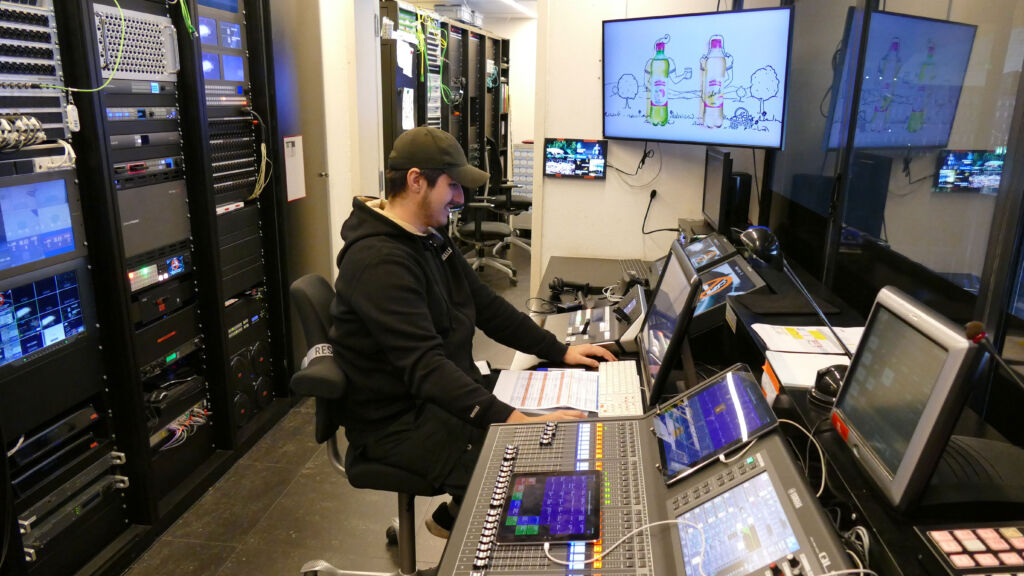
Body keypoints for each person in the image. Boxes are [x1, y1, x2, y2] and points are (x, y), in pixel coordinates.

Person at [328, 126, 615, 538]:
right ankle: (472, 524)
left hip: (440, 397)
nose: (462, 198)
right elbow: (426, 368)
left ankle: (455, 515)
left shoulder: (427, 238)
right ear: (415, 181)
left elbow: (486, 305)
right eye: (452, 185)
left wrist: (559, 351)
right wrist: (512, 420)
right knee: (538, 459)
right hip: (398, 422)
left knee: (566, 403)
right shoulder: (379, 263)